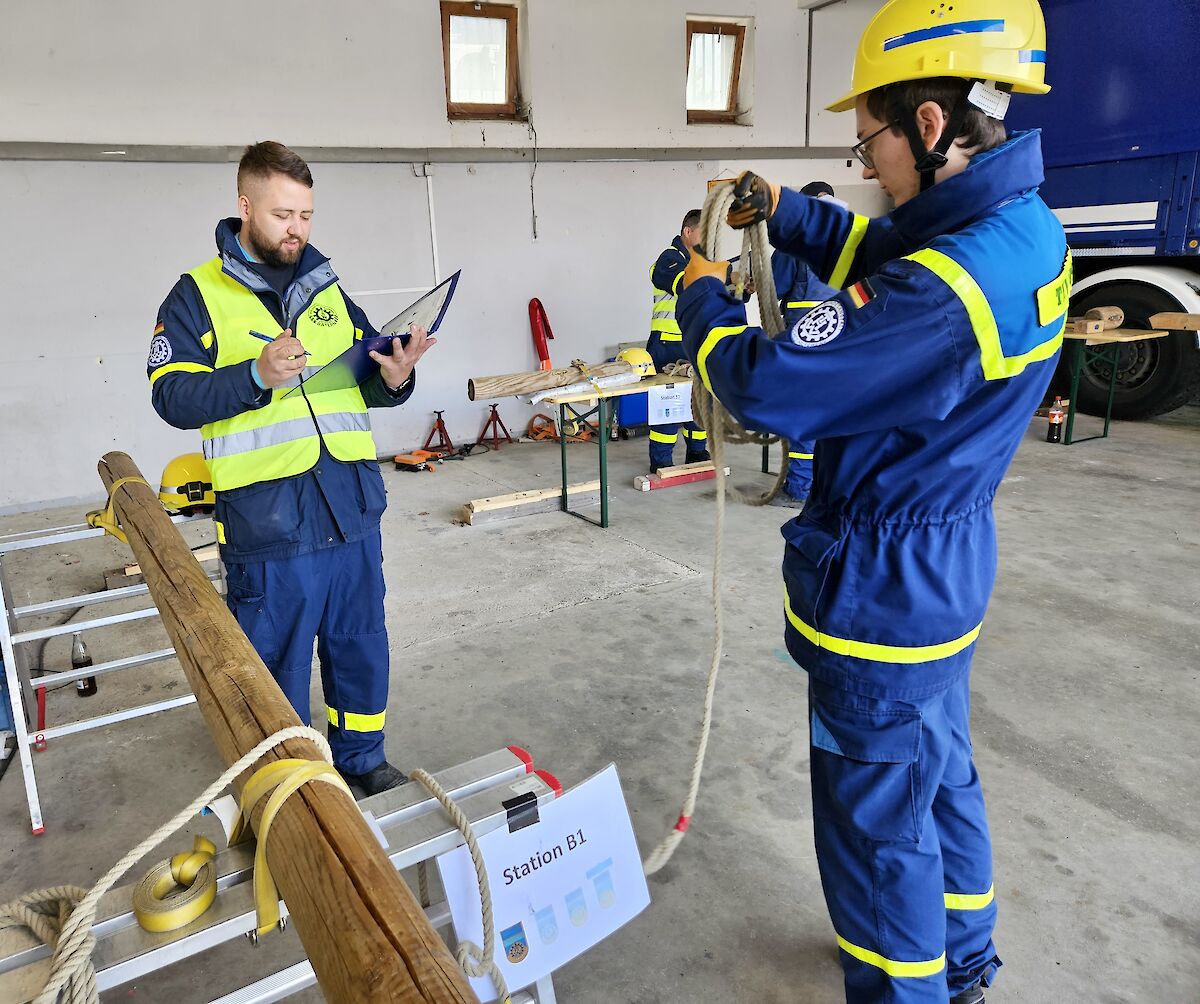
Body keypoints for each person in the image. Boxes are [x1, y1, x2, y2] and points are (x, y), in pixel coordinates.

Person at [675, 2, 1064, 1001]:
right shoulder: (1022, 232)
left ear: (929, 124)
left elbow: (765, 383)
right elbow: (891, 251)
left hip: (883, 592)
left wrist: (701, 295)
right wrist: (789, 213)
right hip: (947, 571)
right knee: (942, 776)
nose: (865, 165)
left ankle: (905, 983)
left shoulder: (945, 289)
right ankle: (967, 959)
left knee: (875, 830)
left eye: (870, 143)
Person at [147, 141, 435, 796]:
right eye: (282, 214)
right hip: (269, 524)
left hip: (351, 509)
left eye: (305, 214)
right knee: (271, 669)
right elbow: (172, 394)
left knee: (360, 644)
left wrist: (395, 377)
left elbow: (363, 377)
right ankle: (290, 789)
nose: (296, 229)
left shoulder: (325, 287)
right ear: (245, 207)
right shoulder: (197, 295)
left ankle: (361, 759)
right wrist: (254, 374)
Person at [769, 181, 845, 507]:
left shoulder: (796, 242)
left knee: (801, 410)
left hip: (805, 336)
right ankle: (826, 485)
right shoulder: (850, 237)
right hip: (844, 334)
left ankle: (799, 488)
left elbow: (774, 285)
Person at [645, 210, 710, 473]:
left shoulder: (704, 261)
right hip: (667, 346)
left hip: (696, 343)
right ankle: (661, 462)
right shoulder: (667, 260)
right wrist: (719, 276)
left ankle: (697, 455)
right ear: (688, 231)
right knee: (667, 407)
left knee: (699, 403)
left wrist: (741, 288)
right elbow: (684, 284)